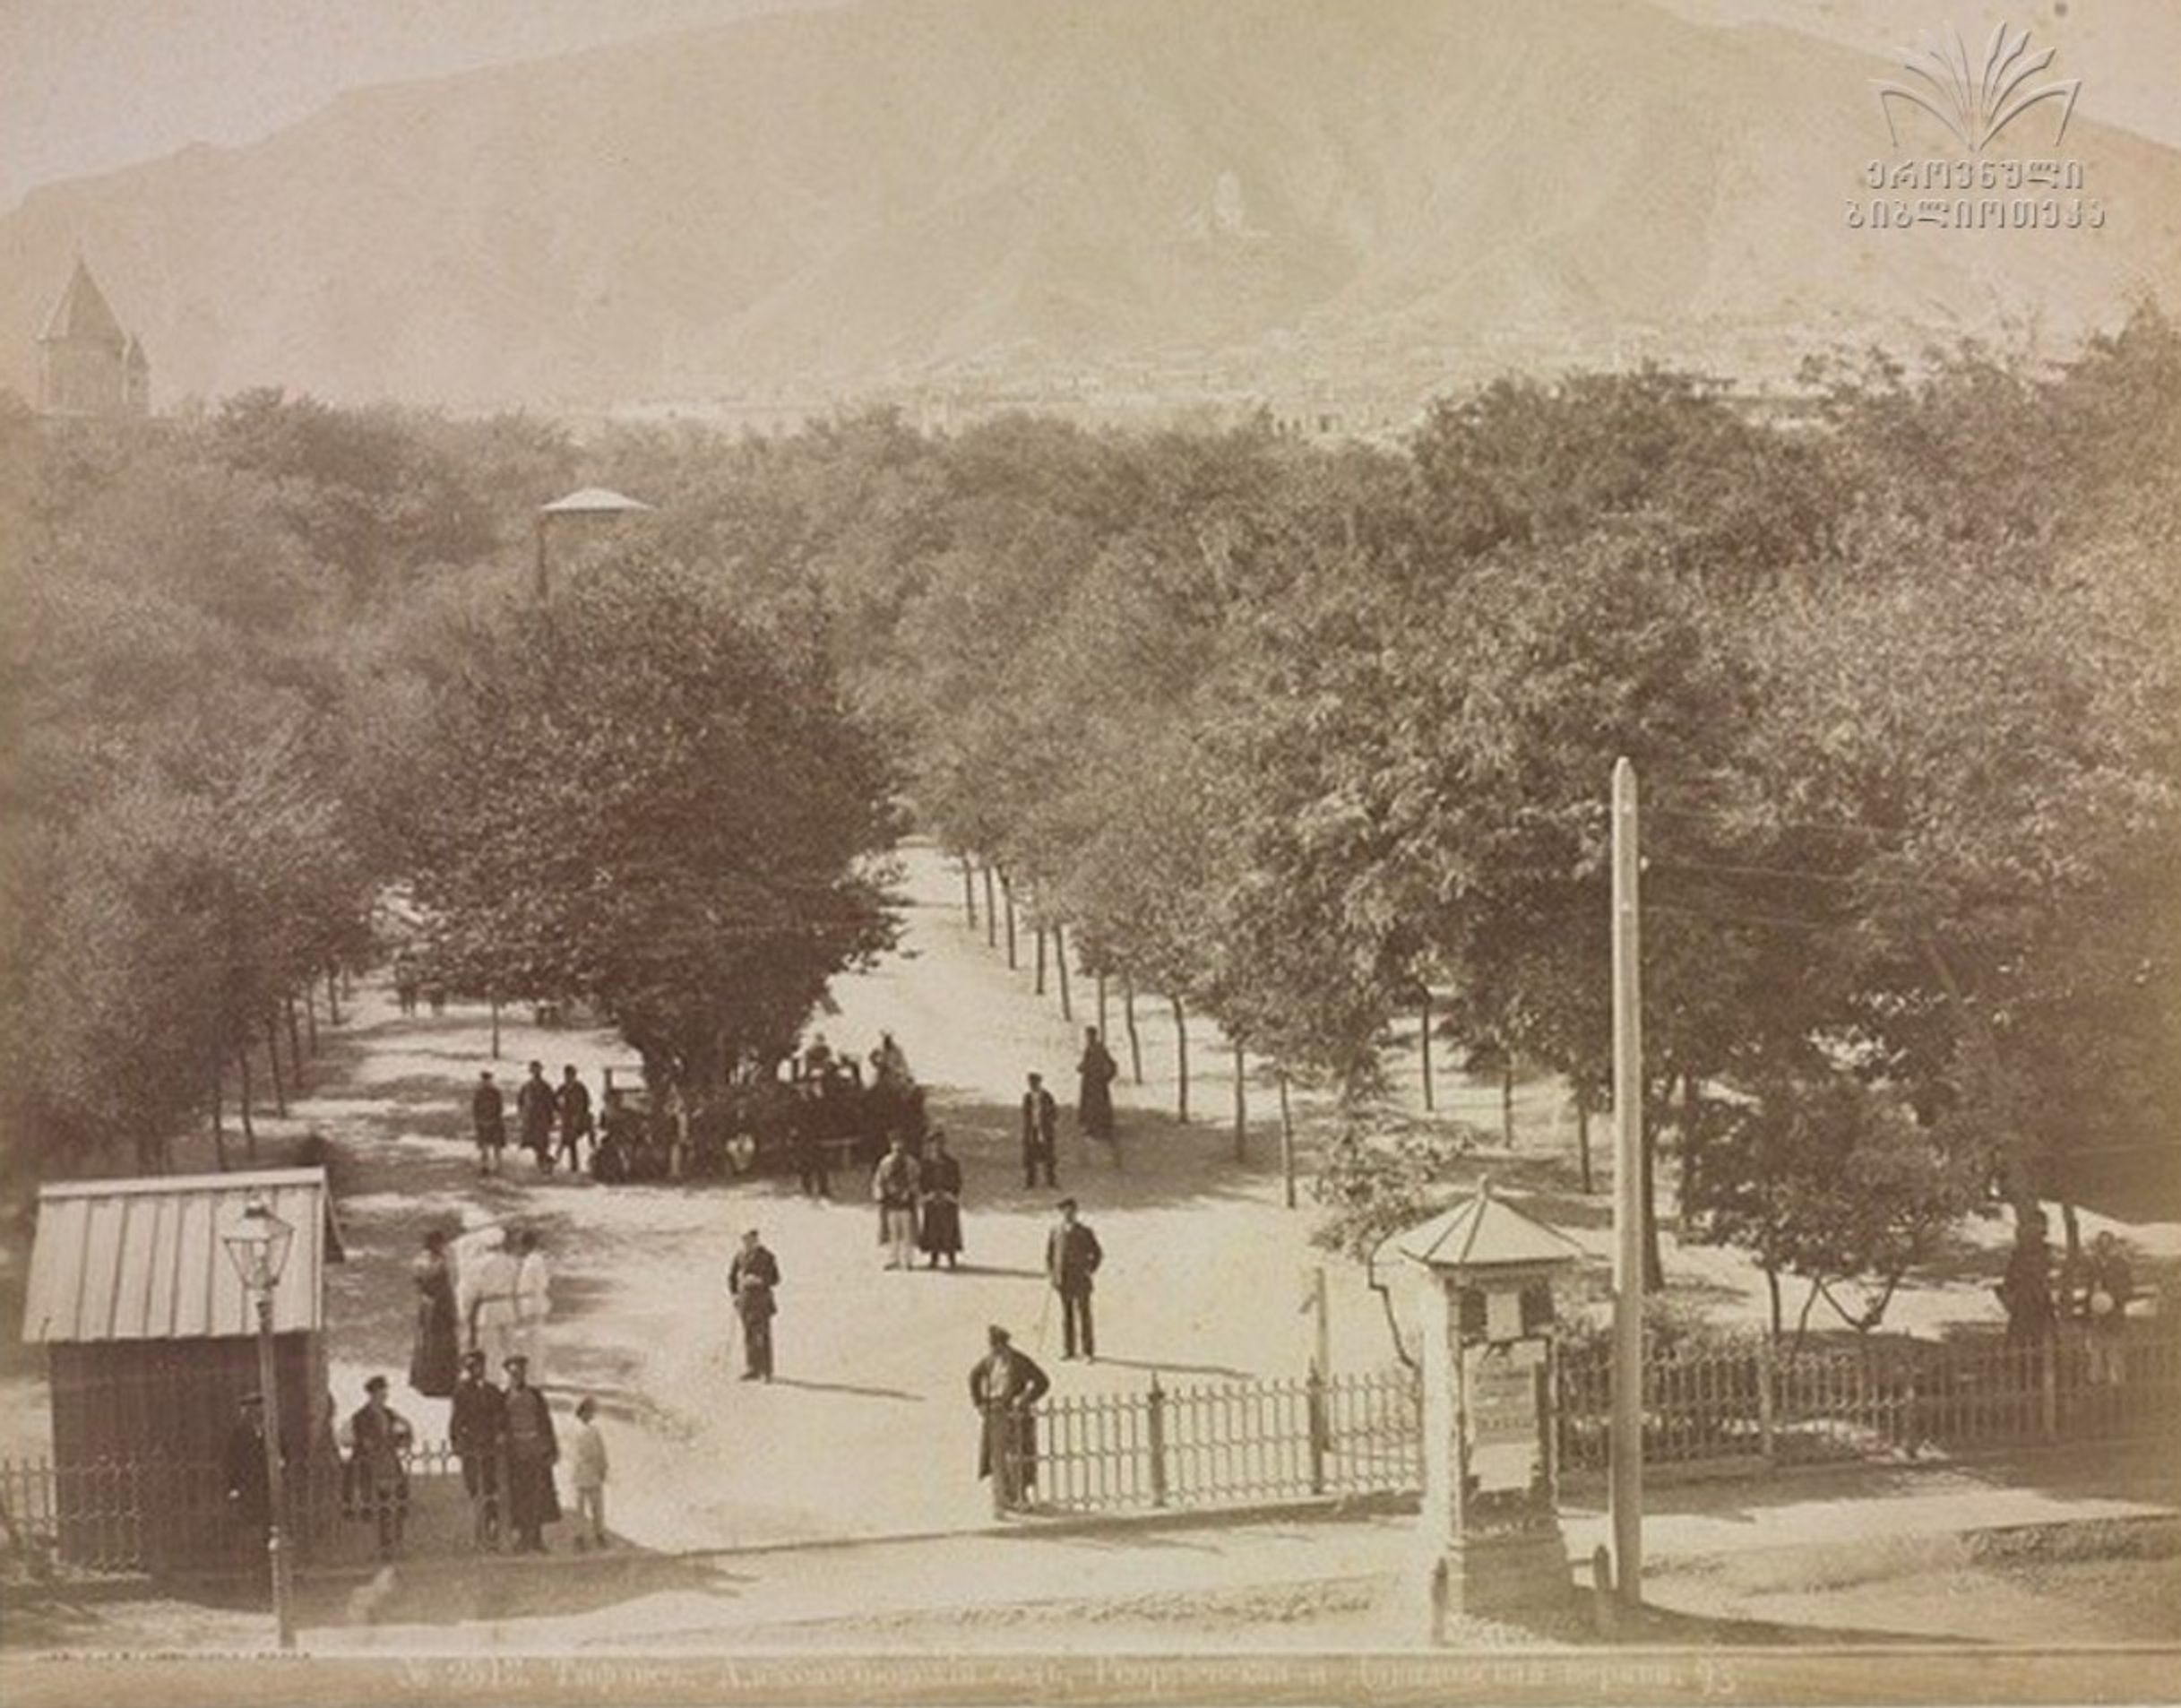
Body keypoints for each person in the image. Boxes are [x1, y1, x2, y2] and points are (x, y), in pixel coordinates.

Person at [970, 1325, 1049, 1513]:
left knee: (1018, 1456)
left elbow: (1043, 1381)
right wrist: (979, 1403)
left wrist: (1025, 1399)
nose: (994, 1350)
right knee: (998, 1458)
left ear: (1004, 1345)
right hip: (994, 1412)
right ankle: (1003, 1498)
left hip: (1015, 1414)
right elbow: (974, 1377)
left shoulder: (1020, 1361)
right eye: (992, 1346)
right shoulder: (989, 1361)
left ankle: (1020, 1497)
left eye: (997, 1347)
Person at [345, 1376, 414, 1561]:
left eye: (385, 1392)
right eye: (380, 1393)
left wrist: (404, 1433)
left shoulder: (390, 1414)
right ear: (372, 1394)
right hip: (371, 1468)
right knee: (377, 1507)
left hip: (391, 1465)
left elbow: (404, 1434)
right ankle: (380, 1547)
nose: (384, 1396)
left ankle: (397, 1544)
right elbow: (364, 1443)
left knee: (398, 1503)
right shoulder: (361, 1417)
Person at [499, 1354, 560, 1553]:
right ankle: (523, 1538)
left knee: (538, 1495)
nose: (517, 1376)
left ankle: (537, 1539)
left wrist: (551, 1449)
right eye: (513, 1373)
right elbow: (500, 1425)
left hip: (536, 1452)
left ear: (525, 1374)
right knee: (519, 1496)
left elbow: (546, 1423)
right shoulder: (503, 1398)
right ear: (508, 1375)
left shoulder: (536, 1396)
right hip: (515, 1454)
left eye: (520, 1373)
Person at [448, 1349, 505, 1550]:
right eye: (470, 1367)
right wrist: (458, 1444)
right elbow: (456, 1421)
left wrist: (500, 1433)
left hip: (490, 1449)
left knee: (491, 1490)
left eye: (478, 1366)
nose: (475, 1370)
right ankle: (477, 1535)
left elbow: (501, 1416)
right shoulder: (461, 1392)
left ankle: (492, 1534)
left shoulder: (493, 1391)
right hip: (472, 1449)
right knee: (474, 1490)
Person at [458, 1222, 522, 1373]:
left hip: (488, 1306)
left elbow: (472, 1289)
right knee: (510, 1344)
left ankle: (489, 1378)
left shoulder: (480, 1264)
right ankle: (515, 1375)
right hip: (507, 1304)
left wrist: (465, 1310)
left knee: (487, 1346)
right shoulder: (512, 1262)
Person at [1046, 1198, 1103, 1361]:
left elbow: (1097, 1253)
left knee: (1084, 1315)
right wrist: (1052, 1274)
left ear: (1076, 1212)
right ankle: (1069, 1350)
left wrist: (1090, 1269)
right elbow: (1050, 1255)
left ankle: (1088, 1351)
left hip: (1080, 1278)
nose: (1068, 1214)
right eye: (1065, 1211)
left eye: (1071, 1211)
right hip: (1063, 1280)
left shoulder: (1085, 1232)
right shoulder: (1055, 1231)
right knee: (1067, 1315)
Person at [408, 1229, 461, 1399]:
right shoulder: (438, 1262)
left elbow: (417, 1283)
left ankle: (424, 1380)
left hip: (426, 1305)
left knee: (426, 1341)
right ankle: (440, 1383)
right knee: (441, 1343)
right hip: (440, 1306)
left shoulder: (419, 1261)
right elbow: (445, 1286)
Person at [2082, 1230, 2135, 1385]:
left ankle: (2117, 1387)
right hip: (2096, 1319)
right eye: (2101, 1244)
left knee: (2115, 1354)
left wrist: (2111, 1299)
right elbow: (2089, 1290)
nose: (2104, 1248)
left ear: (2112, 1246)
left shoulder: (2121, 1265)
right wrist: (2090, 1309)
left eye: (2107, 1244)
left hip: (2114, 1317)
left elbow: (2128, 1290)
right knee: (2095, 1356)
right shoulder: (2093, 1265)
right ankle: (2096, 1387)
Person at [728, 1228, 781, 1381]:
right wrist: (735, 1294)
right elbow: (731, 1276)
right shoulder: (740, 1255)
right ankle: (752, 1368)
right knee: (749, 1335)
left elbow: (776, 1279)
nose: (747, 1243)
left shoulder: (768, 1256)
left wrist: (760, 1280)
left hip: (762, 1301)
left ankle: (767, 1371)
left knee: (763, 1336)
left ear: (756, 1239)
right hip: (745, 1302)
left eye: (750, 1240)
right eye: (744, 1240)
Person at [1996, 1209, 2056, 1343]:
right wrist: (2010, 1285)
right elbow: (2014, 1269)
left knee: (2037, 1325)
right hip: (2026, 1290)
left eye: (2041, 1224)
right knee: (2022, 1325)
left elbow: (2044, 1267)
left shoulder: (2042, 1249)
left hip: (2036, 1290)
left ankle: (2035, 1347)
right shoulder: (2023, 1249)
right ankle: (2022, 1348)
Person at [223, 1392, 272, 1548]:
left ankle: (265, 1545)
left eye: (259, 1409)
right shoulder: (238, 1434)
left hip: (268, 1483)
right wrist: (232, 1486)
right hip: (247, 1483)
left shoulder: (272, 1432)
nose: (256, 1413)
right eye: (252, 1409)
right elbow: (231, 1461)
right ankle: (251, 1550)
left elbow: (284, 1451)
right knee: (249, 1519)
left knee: (268, 1517)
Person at [872, 1134, 922, 1270]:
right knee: (892, 1232)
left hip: (906, 1203)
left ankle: (908, 1260)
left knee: (907, 1232)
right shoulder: (885, 1162)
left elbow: (917, 1180)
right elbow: (879, 1180)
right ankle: (893, 1259)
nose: (898, 1150)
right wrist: (881, 1194)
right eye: (895, 1147)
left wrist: (910, 1191)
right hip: (891, 1202)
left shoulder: (911, 1163)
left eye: (900, 1147)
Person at [918, 1129, 964, 1270]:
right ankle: (934, 1257)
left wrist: (949, 1193)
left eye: (940, 1143)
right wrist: (928, 1193)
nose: (937, 1146)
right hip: (932, 1199)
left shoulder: (952, 1163)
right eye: (934, 1143)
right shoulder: (926, 1163)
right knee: (932, 1228)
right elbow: (922, 1181)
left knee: (949, 1228)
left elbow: (957, 1181)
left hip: (947, 1199)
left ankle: (951, 1257)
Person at [569, 1397, 609, 1551]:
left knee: (597, 1505)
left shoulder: (595, 1430)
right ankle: (579, 1537)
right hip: (580, 1471)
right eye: (588, 1411)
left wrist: (603, 1468)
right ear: (581, 1412)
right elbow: (576, 1451)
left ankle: (599, 1533)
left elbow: (601, 1450)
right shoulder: (575, 1429)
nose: (591, 1415)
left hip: (593, 1472)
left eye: (592, 1412)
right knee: (579, 1507)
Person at [513, 1229, 553, 1378]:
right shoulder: (531, 1260)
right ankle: (533, 1374)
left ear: (525, 1245)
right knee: (529, 1341)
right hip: (530, 1303)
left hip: (533, 1303)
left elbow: (542, 1283)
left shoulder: (534, 1261)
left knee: (534, 1341)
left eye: (520, 1245)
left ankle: (535, 1375)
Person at [1076, 1027, 1119, 1144]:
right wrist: (1081, 1067)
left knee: (1097, 1105)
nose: (1088, 1038)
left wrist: (1107, 1077)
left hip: (1097, 1083)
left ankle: (1099, 1129)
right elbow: (1086, 1063)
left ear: (1094, 1036)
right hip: (1090, 1082)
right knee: (1090, 1105)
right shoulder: (1089, 1048)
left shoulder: (1099, 1048)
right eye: (1087, 1036)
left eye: (1090, 1036)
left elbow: (1110, 1063)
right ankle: (1092, 1127)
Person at [1022, 1072, 1059, 1189]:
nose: (1033, 1085)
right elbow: (1026, 1114)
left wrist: (1050, 1123)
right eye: (1031, 1083)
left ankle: (1051, 1181)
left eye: (1035, 1083)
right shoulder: (1027, 1097)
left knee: (1049, 1155)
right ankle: (1030, 1182)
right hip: (1032, 1129)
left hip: (1045, 1129)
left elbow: (1054, 1112)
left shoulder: (1047, 1096)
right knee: (1030, 1155)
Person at [518, 1061, 556, 1173]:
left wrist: (551, 1118)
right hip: (530, 1119)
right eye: (533, 1070)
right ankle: (542, 1164)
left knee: (542, 1144)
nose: (536, 1073)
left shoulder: (546, 1087)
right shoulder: (526, 1086)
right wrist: (522, 1115)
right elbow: (521, 1102)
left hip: (542, 1120)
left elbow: (551, 1102)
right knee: (532, 1144)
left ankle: (545, 1165)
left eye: (537, 1070)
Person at [556, 1065, 593, 1175]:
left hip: (579, 1119)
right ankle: (561, 1163)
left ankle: (576, 1164)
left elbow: (587, 1102)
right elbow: (555, 1101)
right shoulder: (562, 1088)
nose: (569, 1077)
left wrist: (581, 1114)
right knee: (566, 1141)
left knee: (572, 1140)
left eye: (571, 1075)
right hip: (567, 1119)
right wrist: (560, 1110)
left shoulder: (580, 1088)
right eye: (567, 1075)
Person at [471, 1071, 506, 1177]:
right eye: (484, 1080)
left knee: (496, 1146)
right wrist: (479, 1121)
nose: (486, 1082)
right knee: (484, 1146)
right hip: (483, 1122)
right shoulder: (479, 1093)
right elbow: (475, 1109)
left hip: (495, 1122)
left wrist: (494, 1119)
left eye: (488, 1080)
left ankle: (498, 1166)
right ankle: (485, 1166)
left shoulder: (496, 1093)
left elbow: (499, 1108)